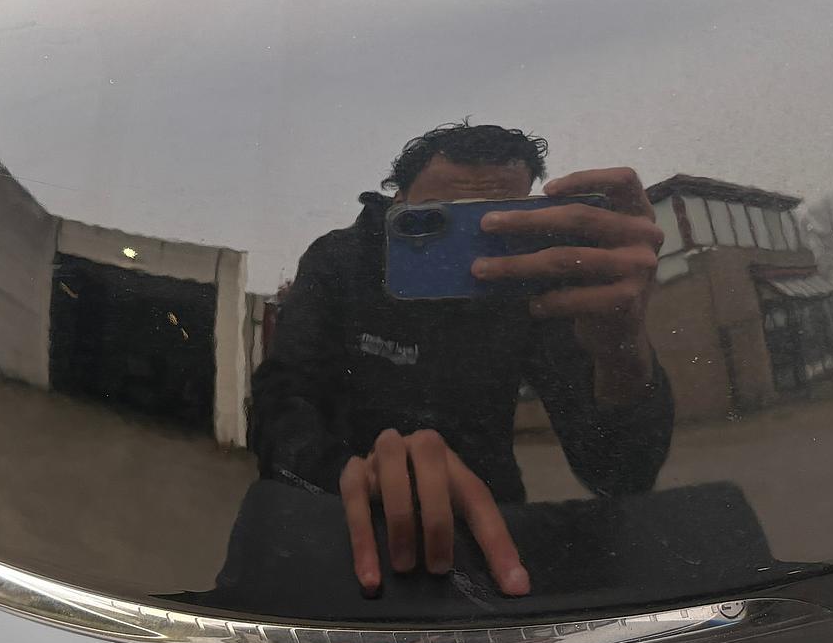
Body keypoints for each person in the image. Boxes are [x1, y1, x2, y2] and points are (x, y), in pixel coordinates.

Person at [250, 121, 674, 596]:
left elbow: (620, 473)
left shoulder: (532, 285)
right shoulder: (343, 260)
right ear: (397, 202)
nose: (468, 252)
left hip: (488, 526)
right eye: (439, 219)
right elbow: (282, 396)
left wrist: (620, 349)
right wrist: (342, 473)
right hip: (335, 515)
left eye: (492, 223)